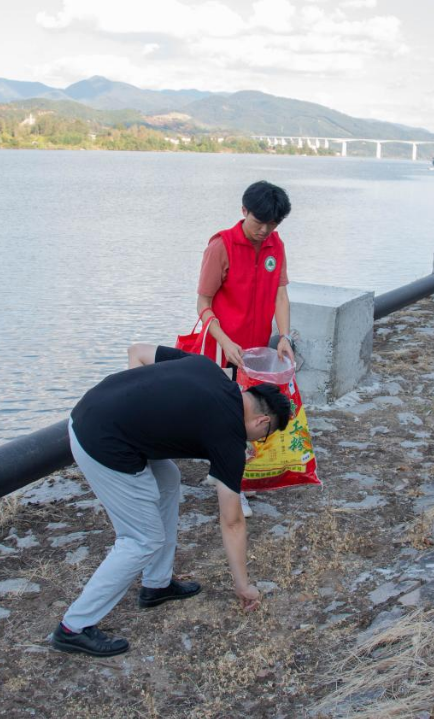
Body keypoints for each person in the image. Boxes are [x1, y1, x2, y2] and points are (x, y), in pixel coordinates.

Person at [51, 344, 290, 657]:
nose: (260, 442)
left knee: (168, 479)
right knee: (141, 540)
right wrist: (243, 585)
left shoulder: (209, 369)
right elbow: (232, 521)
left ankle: (157, 585)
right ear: (262, 422)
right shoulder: (229, 434)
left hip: (93, 409)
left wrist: (136, 413)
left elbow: (137, 352)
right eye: (266, 435)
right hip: (100, 441)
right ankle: (73, 627)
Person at [196, 180, 294, 517]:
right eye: (259, 223)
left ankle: (220, 475)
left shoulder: (275, 244)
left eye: (273, 224)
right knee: (233, 417)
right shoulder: (220, 246)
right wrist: (224, 340)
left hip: (255, 351)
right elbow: (203, 303)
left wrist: (284, 336)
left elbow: (281, 293)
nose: (264, 231)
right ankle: (233, 488)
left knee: (247, 416)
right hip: (223, 347)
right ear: (243, 211)